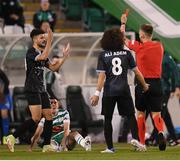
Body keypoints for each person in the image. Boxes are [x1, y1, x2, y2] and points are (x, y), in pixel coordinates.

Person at [5, 28, 70, 152]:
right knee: (36, 118)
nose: (44, 39)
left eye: (44, 38)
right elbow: (44, 55)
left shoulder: (41, 54)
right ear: (34, 39)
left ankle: (46, 146)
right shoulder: (31, 52)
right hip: (32, 88)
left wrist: (64, 57)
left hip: (42, 89)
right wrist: (50, 39)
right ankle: (12, 137)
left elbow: (54, 68)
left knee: (49, 116)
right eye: (42, 37)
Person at [90, 28, 149, 153]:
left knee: (108, 118)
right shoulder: (127, 54)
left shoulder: (103, 55)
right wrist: (144, 85)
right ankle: (136, 140)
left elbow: (101, 76)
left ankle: (110, 147)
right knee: (130, 116)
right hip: (124, 90)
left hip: (109, 91)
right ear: (120, 40)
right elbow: (137, 73)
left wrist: (96, 94)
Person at [120, 13, 166, 151]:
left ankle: (142, 143)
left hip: (142, 83)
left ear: (142, 35)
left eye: (140, 34)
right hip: (157, 83)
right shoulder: (160, 46)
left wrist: (123, 23)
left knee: (140, 113)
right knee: (156, 114)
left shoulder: (139, 47)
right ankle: (161, 132)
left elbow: (123, 39)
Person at [146, 51, 180, 146]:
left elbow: (175, 71)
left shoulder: (166, 57)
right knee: (165, 114)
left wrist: (175, 87)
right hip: (156, 89)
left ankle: (154, 138)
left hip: (164, 90)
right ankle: (174, 138)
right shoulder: (153, 56)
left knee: (160, 113)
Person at [0, 69, 13, 144]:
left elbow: (6, 82)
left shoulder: (0, 72)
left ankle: (5, 137)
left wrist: (2, 94)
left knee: (4, 116)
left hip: (4, 96)